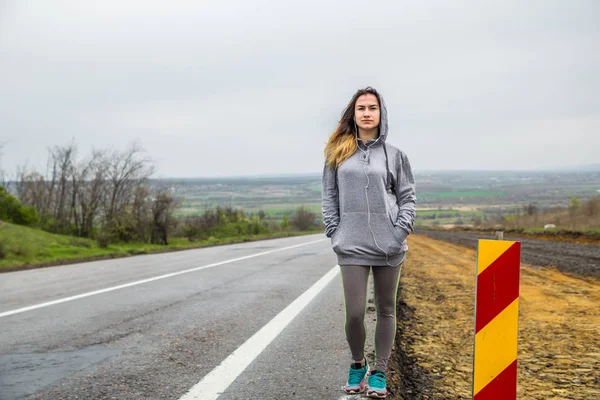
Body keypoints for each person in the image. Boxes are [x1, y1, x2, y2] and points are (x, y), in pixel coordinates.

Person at [321, 86, 416, 398]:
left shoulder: (395, 155)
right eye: (361, 107)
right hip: (350, 245)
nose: (366, 113)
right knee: (354, 313)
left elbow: (407, 198)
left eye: (372, 107)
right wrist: (335, 231)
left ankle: (380, 370)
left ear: (380, 114)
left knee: (387, 309)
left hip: (389, 246)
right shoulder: (337, 152)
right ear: (353, 114)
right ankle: (358, 362)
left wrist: (398, 232)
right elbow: (329, 196)